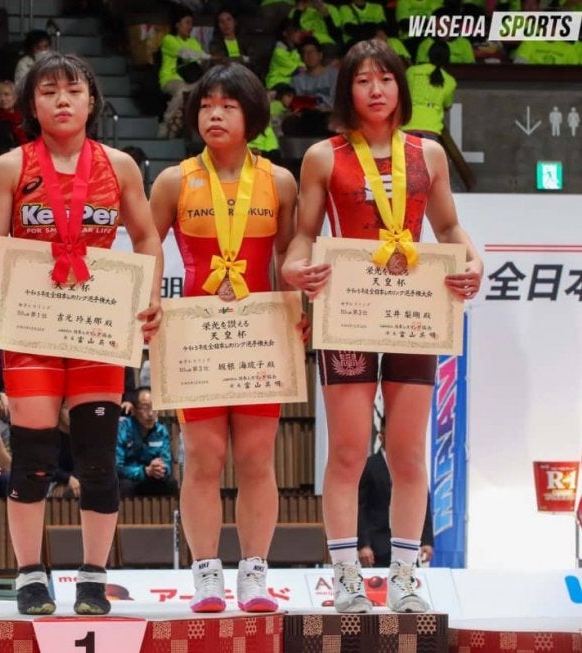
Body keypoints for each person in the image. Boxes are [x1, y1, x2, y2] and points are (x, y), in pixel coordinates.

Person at [281, 39, 482, 614]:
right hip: (349, 313)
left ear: (401, 87)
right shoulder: (324, 156)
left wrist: (473, 261)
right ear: (348, 90)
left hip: (411, 314)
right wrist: (295, 267)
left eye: (385, 79)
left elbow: (448, 228)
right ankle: (346, 575)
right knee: (348, 452)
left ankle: (405, 576)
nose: (375, 90)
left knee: (408, 453)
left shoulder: (428, 154)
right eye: (363, 80)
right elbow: (304, 234)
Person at [0, 52, 163, 616]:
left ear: (91, 100)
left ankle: (93, 577)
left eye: (73, 90)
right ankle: (30, 574)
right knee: (32, 457)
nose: (62, 100)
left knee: (98, 459)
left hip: (97, 328)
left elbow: (147, 238)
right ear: (33, 104)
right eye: (48, 91)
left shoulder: (120, 166)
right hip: (32, 330)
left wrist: (150, 298)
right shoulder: (10, 167)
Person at [150, 62, 299, 614]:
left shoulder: (279, 182)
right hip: (197, 337)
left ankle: (255, 573)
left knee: (258, 459)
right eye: (207, 105)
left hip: (260, 336)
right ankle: (207, 574)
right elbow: (146, 246)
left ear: (252, 115)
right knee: (203, 457)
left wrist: (299, 310)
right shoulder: (174, 181)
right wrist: (148, 302)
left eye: (228, 106)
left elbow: (289, 256)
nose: (215, 114)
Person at [358, 431, 434, 568]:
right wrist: (363, 544)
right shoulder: (369, 466)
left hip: (407, 544)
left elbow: (422, 503)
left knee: (407, 580)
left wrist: (426, 540)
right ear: (381, 437)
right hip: (376, 547)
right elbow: (360, 508)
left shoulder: (412, 465)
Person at [115, 387, 177, 498]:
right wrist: (144, 471)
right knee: (125, 486)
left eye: (154, 408)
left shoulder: (161, 431)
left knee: (171, 483)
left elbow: (166, 463)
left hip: (152, 477)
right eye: (145, 408)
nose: (150, 413)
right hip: (130, 479)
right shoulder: (123, 429)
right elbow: (118, 467)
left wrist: (161, 469)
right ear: (133, 410)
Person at [157, 9, 209, 139]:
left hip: (192, 79)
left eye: (191, 23)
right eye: (187, 22)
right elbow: (185, 53)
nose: (190, 27)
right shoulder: (169, 39)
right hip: (171, 78)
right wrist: (208, 56)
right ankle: (166, 123)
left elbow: (200, 60)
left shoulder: (194, 42)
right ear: (177, 24)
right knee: (182, 91)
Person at [402, 41, 455, 141]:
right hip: (432, 129)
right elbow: (447, 106)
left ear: (429, 55)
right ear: (447, 59)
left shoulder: (412, 71)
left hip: (408, 126)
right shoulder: (450, 81)